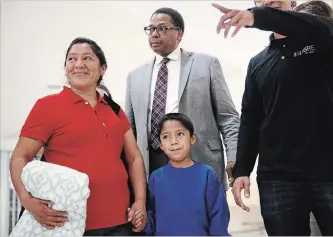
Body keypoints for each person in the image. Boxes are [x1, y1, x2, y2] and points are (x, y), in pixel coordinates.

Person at [212, 1, 333, 235]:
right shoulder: (258, 63)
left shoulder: (323, 39)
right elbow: (250, 119)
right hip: (278, 179)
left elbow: (323, 27)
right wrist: (242, 170)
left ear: (294, 3)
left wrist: (256, 17)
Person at [9, 37, 147, 236]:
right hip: (69, 226)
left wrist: (140, 201)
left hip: (120, 223)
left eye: (87, 58)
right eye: (72, 59)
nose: (78, 64)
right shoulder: (47, 106)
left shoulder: (115, 110)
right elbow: (20, 157)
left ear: (102, 68)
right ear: (66, 68)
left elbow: (134, 158)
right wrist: (26, 200)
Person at [125, 7, 240, 190]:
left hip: (199, 160)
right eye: (151, 29)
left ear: (179, 34)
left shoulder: (206, 65)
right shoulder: (135, 77)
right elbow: (129, 132)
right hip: (151, 167)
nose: (154, 34)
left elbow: (228, 117)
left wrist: (234, 155)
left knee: (201, 218)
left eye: (162, 28)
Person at [139, 113, 230, 236]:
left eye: (180, 134)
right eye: (166, 137)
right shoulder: (156, 178)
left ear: (192, 138)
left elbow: (218, 219)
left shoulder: (207, 175)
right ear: (160, 144)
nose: (174, 142)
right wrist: (141, 221)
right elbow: (150, 220)